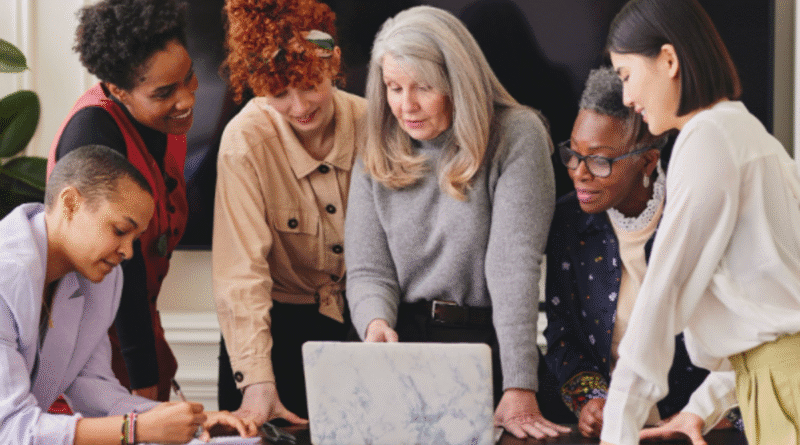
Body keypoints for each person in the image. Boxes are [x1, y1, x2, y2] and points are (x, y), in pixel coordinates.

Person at [344, 5, 570, 440]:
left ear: (456, 82)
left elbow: (513, 267)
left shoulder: (517, 134)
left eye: (423, 88)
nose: (405, 106)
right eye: (393, 87)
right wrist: (374, 324)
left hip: (482, 347)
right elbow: (369, 269)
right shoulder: (377, 144)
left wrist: (519, 383)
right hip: (399, 350)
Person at [599, 0, 800, 444]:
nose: (628, 99)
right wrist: (700, 408)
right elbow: (770, 316)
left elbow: (662, 292)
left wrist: (618, 429)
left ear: (669, 60)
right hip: (776, 385)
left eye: (627, 75)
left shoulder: (707, 138)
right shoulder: (745, 133)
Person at [0, 145, 256, 444]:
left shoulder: (102, 277)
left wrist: (192, 421)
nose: (128, 251)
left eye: (136, 237)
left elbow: (92, 386)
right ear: (69, 204)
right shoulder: (6, 270)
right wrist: (134, 429)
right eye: (120, 230)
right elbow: (10, 427)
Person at [543, 66, 734, 438]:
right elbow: (564, 333)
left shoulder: (697, 212)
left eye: (599, 160)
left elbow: (742, 336)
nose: (579, 172)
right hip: (618, 430)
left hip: (702, 429)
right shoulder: (569, 221)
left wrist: (714, 412)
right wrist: (592, 400)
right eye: (574, 153)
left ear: (648, 161)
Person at [213, 0, 366, 425]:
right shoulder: (245, 142)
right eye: (278, 94)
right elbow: (240, 274)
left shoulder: (375, 125)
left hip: (361, 326)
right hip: (272, 335)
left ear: (333, 62)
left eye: (309, 85)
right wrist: (259, 382)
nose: (299, 107)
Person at [47, 0, 197, 402]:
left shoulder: (167, 122)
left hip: (142, 330)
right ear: (118, 90)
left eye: (189, 78)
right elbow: (121, 270)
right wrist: (142, 380)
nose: (186, 100)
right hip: (96, 349)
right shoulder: (93, 132)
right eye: (165, 92)